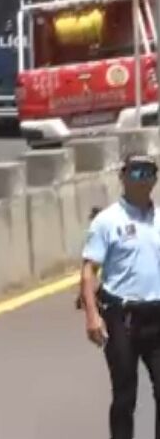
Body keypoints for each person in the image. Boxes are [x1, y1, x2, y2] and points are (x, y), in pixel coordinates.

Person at [80, 153, 160, 439]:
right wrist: (92, 316)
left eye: (150, 172)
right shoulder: (107, 221)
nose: (144, 179)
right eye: (136, 172)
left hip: (157, 316)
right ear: (122, 176)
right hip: (122, 318)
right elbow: (89, 270)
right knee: (125, 394)